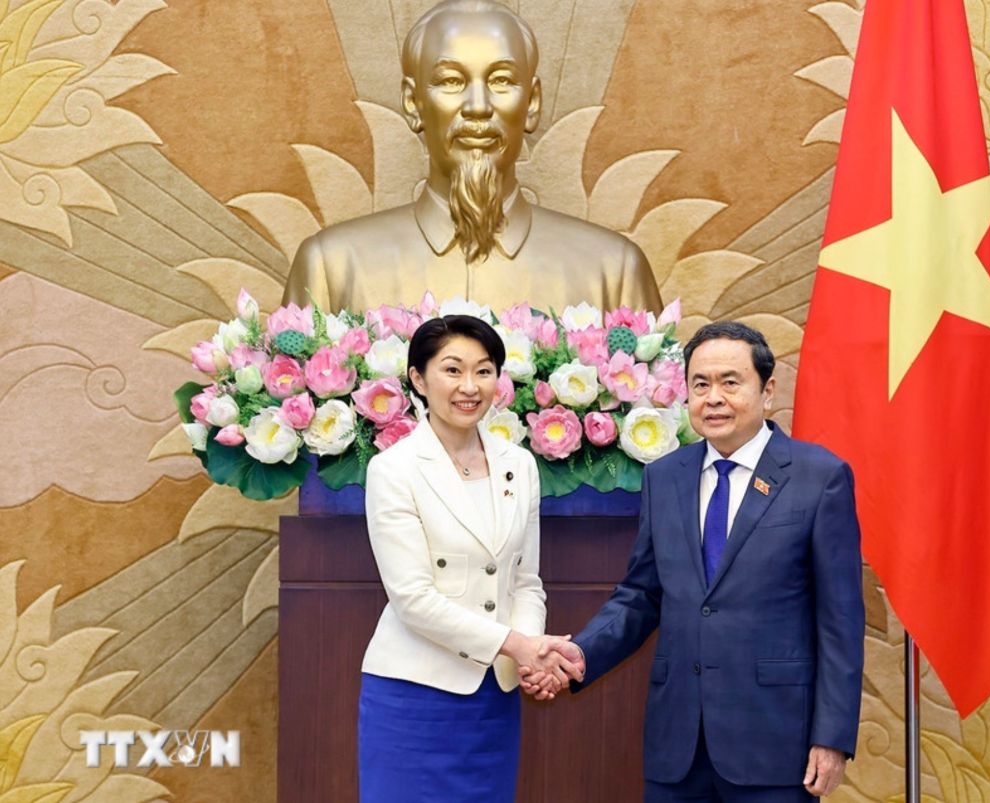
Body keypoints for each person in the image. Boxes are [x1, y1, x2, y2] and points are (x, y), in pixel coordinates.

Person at [524, 321, 866, 802]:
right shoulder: (665, 477)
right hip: (677, 743)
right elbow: (641, 595)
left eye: (731, 382)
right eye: (701, 385)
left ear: (767, 391)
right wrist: (583, 653)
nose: (714, 398)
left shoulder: (819, 477)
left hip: (774, 741)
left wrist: (831, 738)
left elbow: (841, 620)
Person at [281, 0, 662, 315]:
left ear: (531, 104)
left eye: (500, 81)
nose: (477, 107)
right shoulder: (331, 268)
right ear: (413, 104)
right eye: (451, 81)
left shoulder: (614, 273)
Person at [359, 314, 581, 803]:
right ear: (418, 379)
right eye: (452, 370)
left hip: (493, 696)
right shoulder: (392, 470)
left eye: (484, 370)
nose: (470, 386)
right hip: (414, 693)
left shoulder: (518, 464)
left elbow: (526, 581)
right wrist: (518, 645)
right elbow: (412, 598)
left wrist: (531, 656)